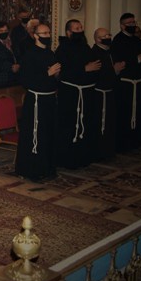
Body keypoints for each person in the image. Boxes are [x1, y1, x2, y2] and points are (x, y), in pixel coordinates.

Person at [15, 24, 61, 182]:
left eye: (49, 32)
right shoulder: (29, 55)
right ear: (35, 35)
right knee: (35, 135)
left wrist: (56, 76)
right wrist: (47, 74)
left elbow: (55, 77)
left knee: (49, 134)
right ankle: (31, 169)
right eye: (44, 33)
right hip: (35, 100)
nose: (48, 35)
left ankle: (47, 167)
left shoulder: (50, 53)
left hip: (49, 99)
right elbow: (26, 80)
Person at [54, 20, 100, 169]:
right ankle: (67, 159)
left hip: (86, 92)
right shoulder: (63, 49)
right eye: (76, 29)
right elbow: (63, 72)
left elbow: (95, 66)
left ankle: (83, 156)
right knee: (69, 126)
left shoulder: (86, 47)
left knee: (85, 124)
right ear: (68, 32)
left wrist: (91, 71)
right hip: (70, 95)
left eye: (81, 28)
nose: (80, 31)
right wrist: (84, 69)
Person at [110, 13, 141, 152]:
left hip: (137, 82)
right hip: (125, 85)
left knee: (138, 113)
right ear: (122, 25)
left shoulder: (138, 41)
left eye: (134, 22)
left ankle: (136, 140)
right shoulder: (117, 41)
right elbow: (120, 60)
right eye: (129, 23)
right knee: (124, 113)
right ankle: (123, 142)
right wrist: (138, 59)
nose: (132, 25)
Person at [89, 27, 124, 161]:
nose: (109, 37)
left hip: (109, 93)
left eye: (109, 34)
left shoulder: (110, 52)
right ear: (98, 39)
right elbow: (97, 75)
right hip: (98, 95)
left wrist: (116, 71)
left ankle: (108, 150)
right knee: (99, 124)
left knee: (109, 123)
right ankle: (98, 151)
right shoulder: (94, 53)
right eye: (105, 35)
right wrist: (113, 70)